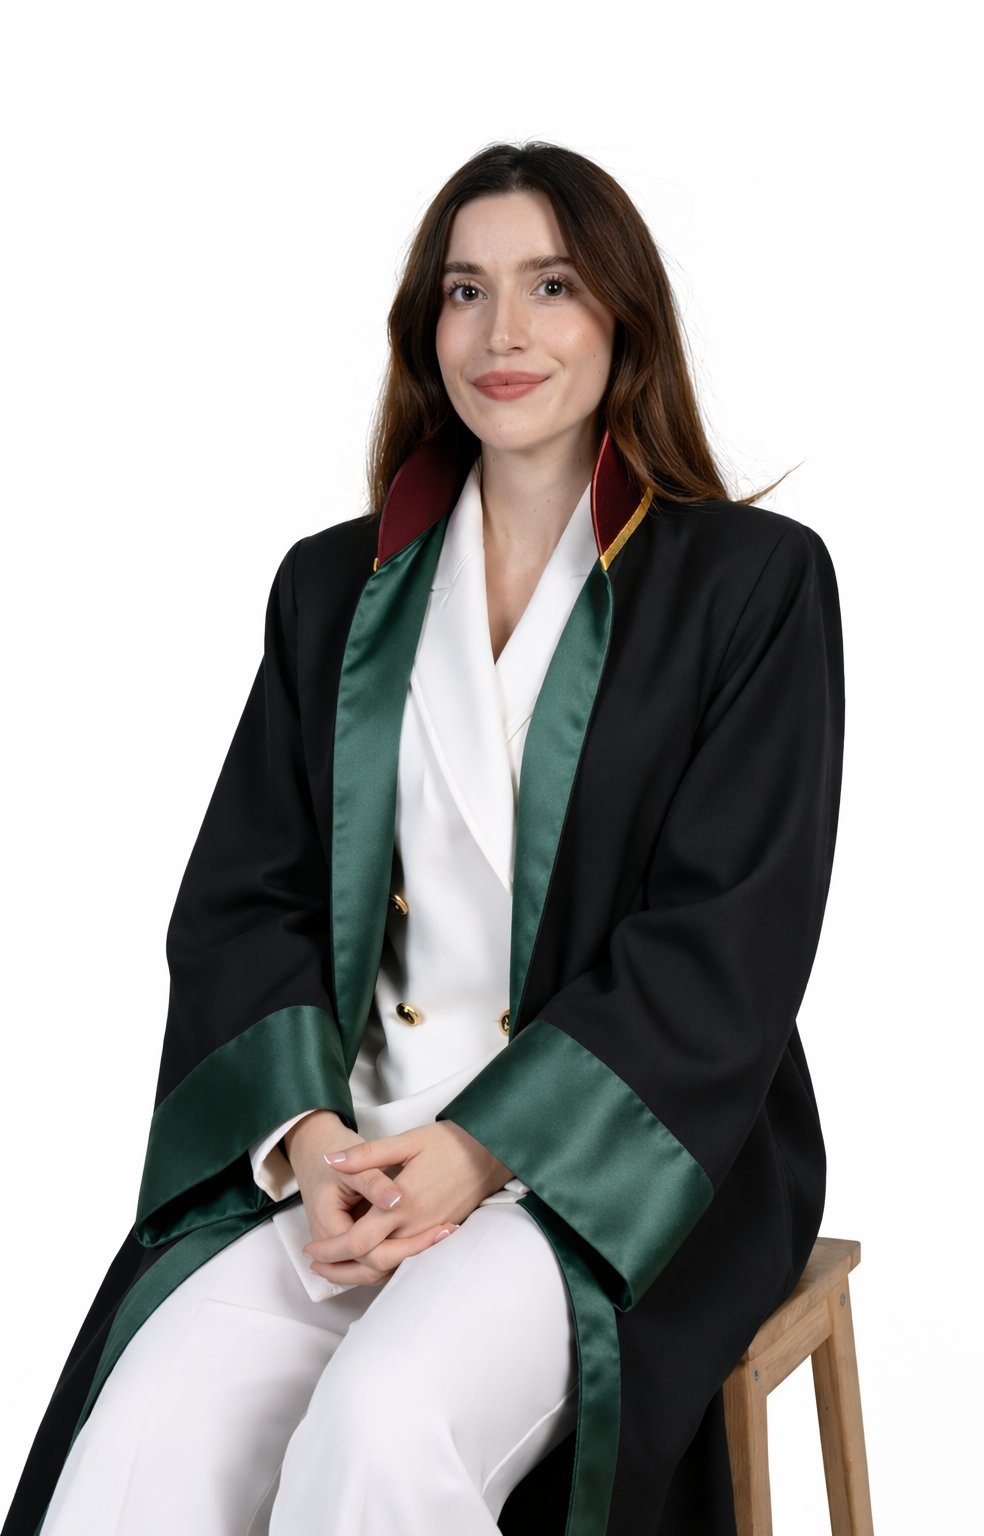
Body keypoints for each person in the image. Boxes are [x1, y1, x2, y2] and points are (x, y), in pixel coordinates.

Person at [3, 142, 844, 1536]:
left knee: (385, 1429)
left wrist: (483, 1149)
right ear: (425, 328)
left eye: (552, 287)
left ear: (623, 318)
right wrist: (314, 1143)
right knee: (143, 1430)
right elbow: (243, 902)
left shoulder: (752, 588)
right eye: (465, 292)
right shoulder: (334, 587)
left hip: (609, 1165)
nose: (503, 334)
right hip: (359, 1158)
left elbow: (724, 943)